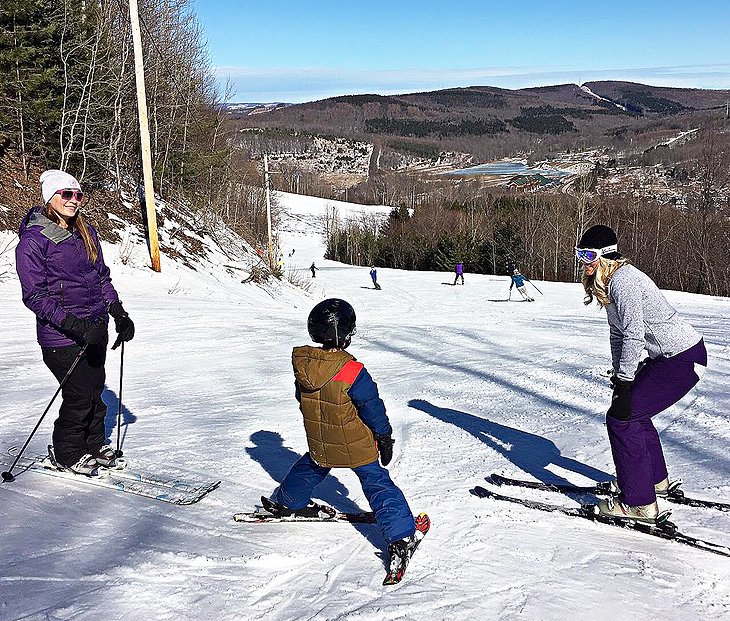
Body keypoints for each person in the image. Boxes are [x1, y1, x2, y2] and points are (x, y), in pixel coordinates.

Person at [263, 298, 425, 570]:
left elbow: (303, 400)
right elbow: (372, 407)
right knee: (376, 481)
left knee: (312, 465)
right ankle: (400, 535)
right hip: (354, 443)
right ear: (345, 334)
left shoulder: (304, 366)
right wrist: (383, 436)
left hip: (321, 441)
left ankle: (288, 501)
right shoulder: (352, 370)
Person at [576, 224, 706, 523]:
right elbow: (618, 334)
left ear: (605, 255)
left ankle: (638, 502)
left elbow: (634, 334)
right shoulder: (608, 281)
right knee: (634, 410)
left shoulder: (623, 281)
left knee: (621, 418)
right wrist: (620, 374)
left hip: (683, 359)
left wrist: (625, 380)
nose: (583, 261)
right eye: (579, 253)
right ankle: (654, 482)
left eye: (587, 254)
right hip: (671, 358)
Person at [15, 170, 135, 475]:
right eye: (65, 194)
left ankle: (94, 446)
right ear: (50, 198)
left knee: (95, 390)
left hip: (95, 329)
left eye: (77, 194)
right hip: (61, 336)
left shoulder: (86, 232)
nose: (73, 200)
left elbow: (100, 277)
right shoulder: (33, 240)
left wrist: (117, 312)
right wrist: (75, 326)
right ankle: (67, 453)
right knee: (79, 395)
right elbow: (35, 296)